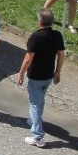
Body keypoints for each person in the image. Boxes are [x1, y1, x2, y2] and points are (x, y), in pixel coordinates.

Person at [16, 9, 66, 147]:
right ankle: (34, 120)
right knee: (40, 101)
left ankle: (38, 136)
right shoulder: (57, 35)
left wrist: (21, 73)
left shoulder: (36, 37)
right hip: (48, 75)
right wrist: (58, 72)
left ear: (40, 21)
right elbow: (61, 55)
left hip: (36, 76)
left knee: (35, 104)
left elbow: (28, 58)